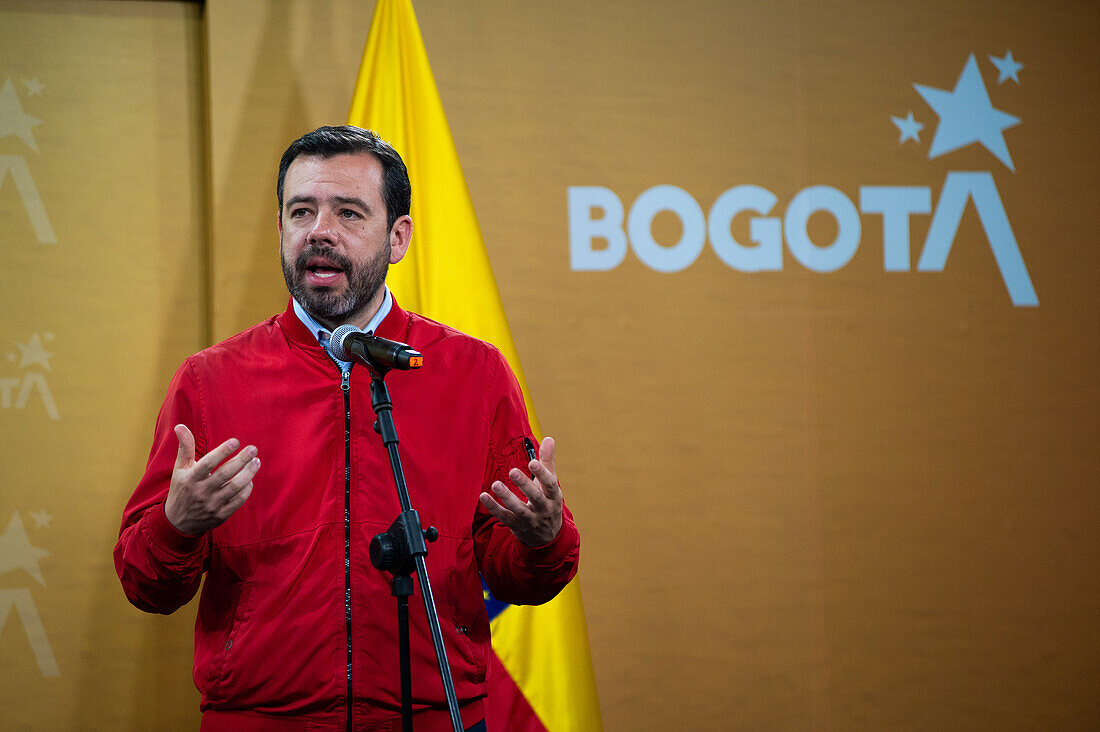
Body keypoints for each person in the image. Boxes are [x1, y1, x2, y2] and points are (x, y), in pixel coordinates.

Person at [114, 126, 580, 732]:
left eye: (348, 212)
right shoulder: (209, 382)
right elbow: (144, 583)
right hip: (261, 720)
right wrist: (176, 527)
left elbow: (514, 574)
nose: (319, 231)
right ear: (280, 228)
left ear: (398, 237)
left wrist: (544, 539)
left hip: (435, 717)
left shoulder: (473, 372)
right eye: (300, 211)